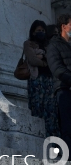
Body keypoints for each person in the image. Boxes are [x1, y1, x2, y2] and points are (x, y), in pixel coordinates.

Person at [23, 20, 59, 138]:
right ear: (33, 32)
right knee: (37, 106)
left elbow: (52, 60)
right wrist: (44, 61)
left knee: (50, 110)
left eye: (43, 31)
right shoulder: (28, 44)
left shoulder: (48, 45)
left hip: (48, 80)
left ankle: (51, 138)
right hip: (36, 79)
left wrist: (41, 56)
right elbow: (32, 60)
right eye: (38, 31)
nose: (41, 33)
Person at [47, 13, 71, 150]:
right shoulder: (54, 46)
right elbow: (57, 69)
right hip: (64, 91)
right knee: (68, 128)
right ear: (64, 26)